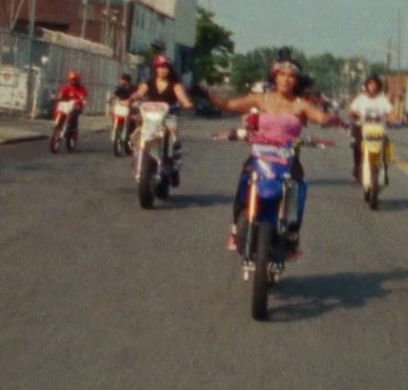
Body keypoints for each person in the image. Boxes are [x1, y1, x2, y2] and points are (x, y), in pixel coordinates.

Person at [214, 58, 333, 255]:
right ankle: (236, 229)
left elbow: (320, 118)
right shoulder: (261, 99)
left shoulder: (301, 104)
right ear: (275, 77)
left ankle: (293, 235)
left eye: (291, 76)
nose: (286, 80)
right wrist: (206, 95)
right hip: (261, 154)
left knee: (298, 186)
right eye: (282, 75)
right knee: (245, 178)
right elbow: (229, 104)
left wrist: (331, 117)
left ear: (296, 81)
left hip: (288, 158)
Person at [130, 55, 195, 180]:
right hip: (149, 116)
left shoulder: (175, 85)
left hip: (167, 116)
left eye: (165, 67)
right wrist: (133, 98)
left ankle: (174, 159)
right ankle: (137, 151)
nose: (163, 70)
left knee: (173, 128)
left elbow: (182, 97)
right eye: (160, 67)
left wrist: (186, 103)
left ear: (170, 69)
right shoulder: (148, 83)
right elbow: (138, 93)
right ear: (155, 69)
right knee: (137, 127)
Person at [347, 75, 394, 181]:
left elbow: (390, 112)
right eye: (370, 84)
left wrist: (394, 119)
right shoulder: (361, 99)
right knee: (358, 146)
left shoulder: (383, 100)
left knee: (386, 146)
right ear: (367, 85)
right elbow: (352, 111)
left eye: (375, 84)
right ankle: (358, 168)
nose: (373, 86)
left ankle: (384, 171)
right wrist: (358, 114)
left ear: (378, 86)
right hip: (362, 128)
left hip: (378, 129)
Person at [55, 71, 88, 138]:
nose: (73, 82)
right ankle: (58, 124)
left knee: (74, 113)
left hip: (77, 106)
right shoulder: (67, 87)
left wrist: (82, 99)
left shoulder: (81, 89)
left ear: (78, 80)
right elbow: (61, 94)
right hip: (67, 105)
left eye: (75, 80)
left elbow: (84, 96)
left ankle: (71, 128)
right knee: (60, 109)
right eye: (72, 80)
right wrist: (58, 97)